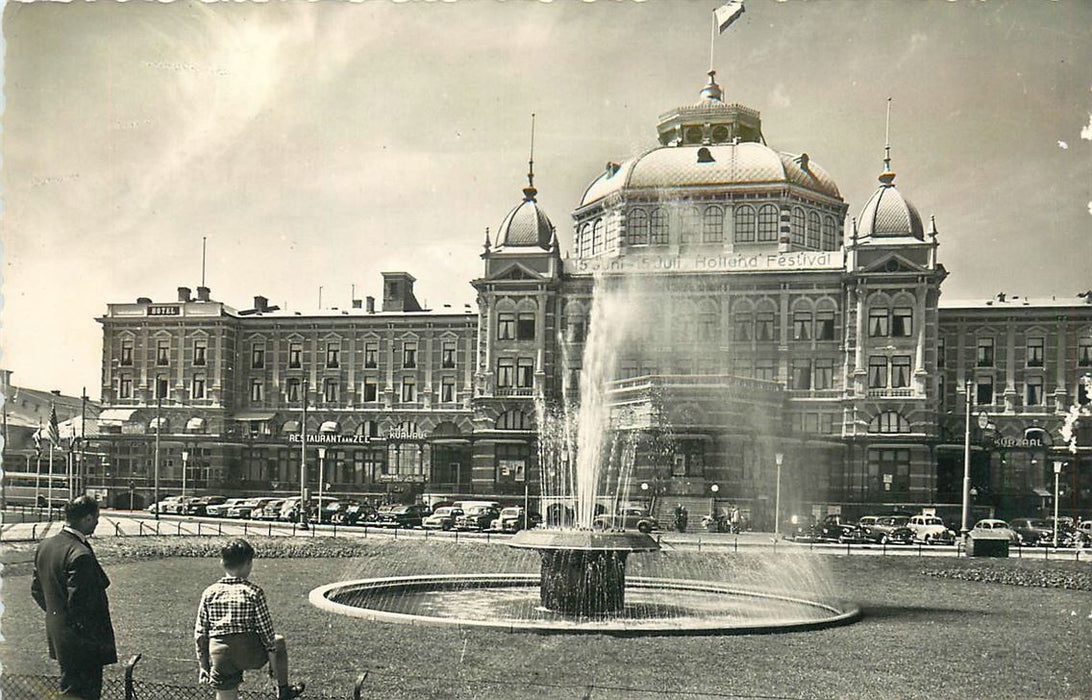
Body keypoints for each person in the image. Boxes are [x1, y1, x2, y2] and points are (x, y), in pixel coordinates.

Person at [195, 539, 305, 700]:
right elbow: (267, 634)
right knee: (278, 641)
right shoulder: (254, 592)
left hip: (220, 654)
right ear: (248, 564)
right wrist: (274, 665)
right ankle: (283, 691)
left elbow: (200, 633)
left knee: (225, 695)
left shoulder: (209, 593)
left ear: (222, 562)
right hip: (248, 653)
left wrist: (204, 665)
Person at [31, 495, 117, 700]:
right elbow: (82, 605)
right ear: (86, 518)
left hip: (62, 638)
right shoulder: (80, 554)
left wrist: (58, 615)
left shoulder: (46, 546)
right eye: (96, 517)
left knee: (69, 691)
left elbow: (36, 590)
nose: (97, 522)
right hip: (84, 644)